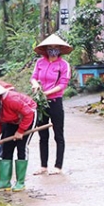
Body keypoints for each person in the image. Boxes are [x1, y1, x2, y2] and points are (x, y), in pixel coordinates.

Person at [0, 77, 37, 192]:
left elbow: (28, 114)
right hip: (10, 121)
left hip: (27, 117)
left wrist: (21, 131)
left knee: (22, 147)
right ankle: (4, 181)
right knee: (6, 147)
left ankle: (20, 182)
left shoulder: (11, 99)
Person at [30, 34, 72, 175]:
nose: (52, 50)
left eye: (55, 48)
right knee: (42, 134)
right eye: (50, 48)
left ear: (59, 49)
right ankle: (43, 165)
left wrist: (47, 93)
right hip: (41, 103)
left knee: (58, 134)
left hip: (55, 101)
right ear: (45, 49)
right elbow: (34, 77)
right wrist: (35, 85)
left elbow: (62, 84)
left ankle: (58, 166)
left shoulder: (63, 65)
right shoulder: (40, 63)